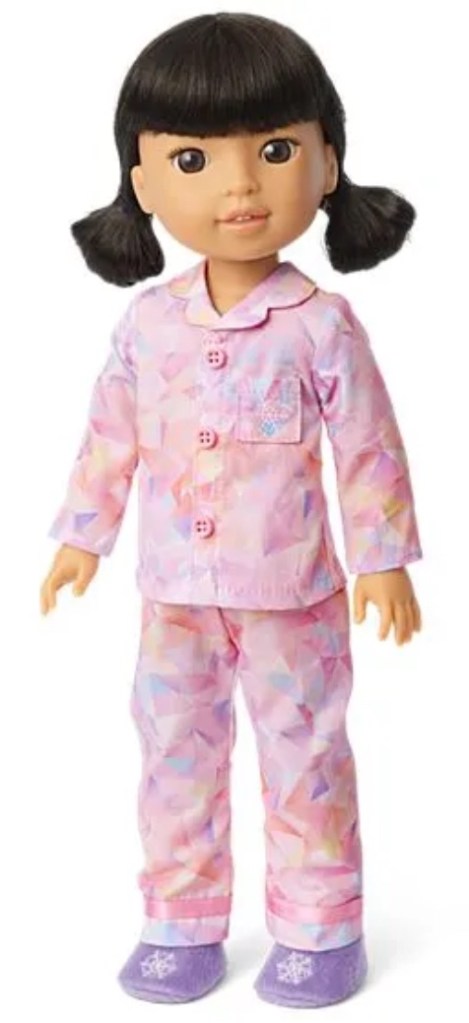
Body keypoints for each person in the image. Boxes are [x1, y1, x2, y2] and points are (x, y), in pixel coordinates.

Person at [39, 12, 423, 1008]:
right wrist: (82, 537)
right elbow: (110, 435)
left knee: (304, 757)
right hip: (173, 596)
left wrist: (382, 558)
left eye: (276, 150)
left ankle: (320, 926)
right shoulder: (148, 323)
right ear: (141, 179)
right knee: (173, 755)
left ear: (327, 161)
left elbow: (368, 444)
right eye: (193, 159)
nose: (240, 186)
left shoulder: (321, 325)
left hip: (292, 595)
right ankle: (180, 920)